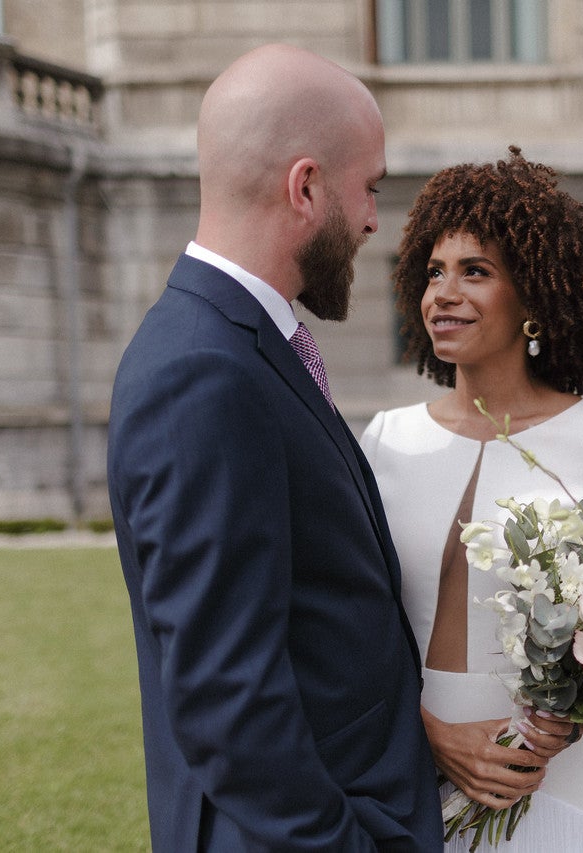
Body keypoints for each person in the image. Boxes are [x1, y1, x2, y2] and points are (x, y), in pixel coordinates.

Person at [107, 45, 443, 852]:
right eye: (369, 188)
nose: (371, 220)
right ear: (306, 188)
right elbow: (227, 695)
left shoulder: (240, 343)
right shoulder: (201, 372)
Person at [360, 147, 583, 850]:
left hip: (550, 781)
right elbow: (355, 622)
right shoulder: (385, 439)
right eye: (434, 272)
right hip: (408, 773)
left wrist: (574, 714)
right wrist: (427, 733)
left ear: (534, 295)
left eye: (475, 271)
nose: (443, 292)